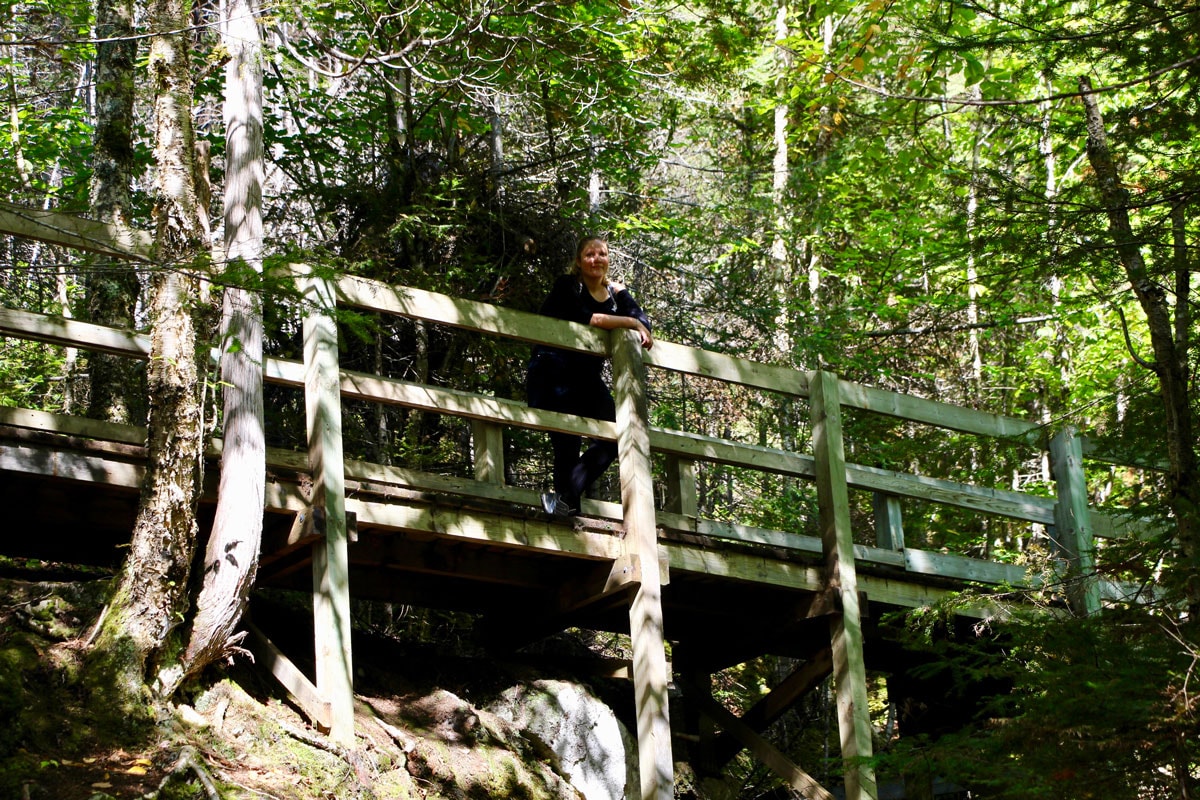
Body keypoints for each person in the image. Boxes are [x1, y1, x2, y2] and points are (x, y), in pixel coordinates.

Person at [526, 235, 654, 517]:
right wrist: (630, 321)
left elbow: (643, 323)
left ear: (608, 260)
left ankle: (564, 501)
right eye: (589, 254)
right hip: (553, 371)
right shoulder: (568, 286)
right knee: (566, 444)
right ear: (578, 261)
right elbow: (590, 319)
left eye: (602, 254)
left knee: (616, 434)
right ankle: (565, 515)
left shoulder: (611, 297)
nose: (596, 259)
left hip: (585, 378)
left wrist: (622, 294)